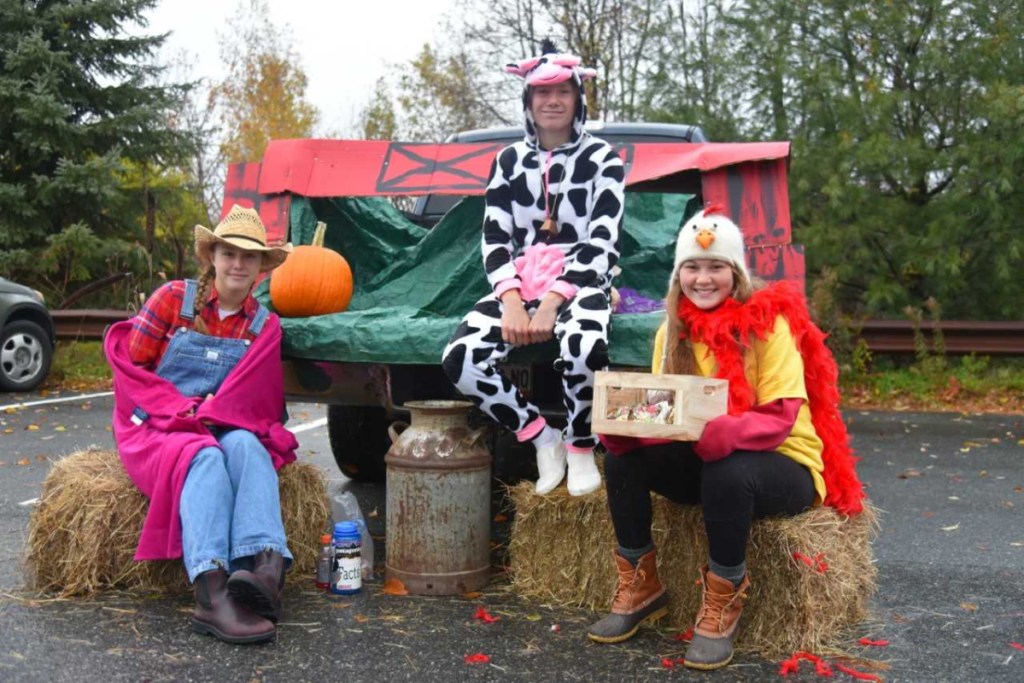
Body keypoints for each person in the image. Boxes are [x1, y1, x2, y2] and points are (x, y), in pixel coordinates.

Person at [586, 207, 866, 669]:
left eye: (716, 267)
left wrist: (730, 431)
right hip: (706, 457)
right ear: (679, 276)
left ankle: (723, 599)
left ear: (735, 274)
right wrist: (629, 436)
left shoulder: (768, 325)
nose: (703, 278)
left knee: (729, 470)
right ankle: (641, 583)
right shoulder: (669, 331)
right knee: (620, 463)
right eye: (692, 268)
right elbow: (668, 414)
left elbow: (781, 417)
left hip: (783, 463)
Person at [104, 205, 296, 645]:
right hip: (156, 424)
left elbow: (257, 401)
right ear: (212, 255)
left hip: (218, 421)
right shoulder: (173, 299)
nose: (238, 264)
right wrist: (180, 408)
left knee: (247, 445)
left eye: (250, 257)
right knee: (206, 457)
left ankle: (265, 569)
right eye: (229, 253)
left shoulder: (264, 325)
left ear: (262, 268)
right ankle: (212, 592)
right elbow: (130, 374)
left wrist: (220, 410)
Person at [442, 41, 625, 497]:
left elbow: (602, 240)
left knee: (584, 348)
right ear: (528, 103)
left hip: (581, 282)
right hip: (520, 283)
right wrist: (511, 301)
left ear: (577, 99)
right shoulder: (508, 162)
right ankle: (542, 436)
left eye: (563, 91)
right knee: (461, 358)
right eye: (542, 94)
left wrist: (550, 304)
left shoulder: (603, 158)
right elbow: (494, 238)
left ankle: (581, 444)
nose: (553, 101)